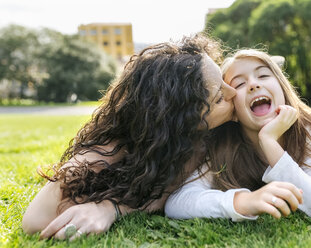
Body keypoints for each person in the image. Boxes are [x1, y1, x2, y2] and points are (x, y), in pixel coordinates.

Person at [22, 34, 237, 240]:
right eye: (219, 98)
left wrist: (113, 208)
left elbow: (165, 194)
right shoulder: (115, 146)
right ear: (184, 121)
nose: (234, 93)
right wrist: (110, 208)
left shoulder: (217, 128)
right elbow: (35, 221)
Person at [164, 49, 311, 221]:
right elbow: (177, 203)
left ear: (282, 87)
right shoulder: (223, 144)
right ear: (233, 111)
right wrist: (243, 202)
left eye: (263, 76)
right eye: (239, 84)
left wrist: (269, 142)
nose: (254, 85)